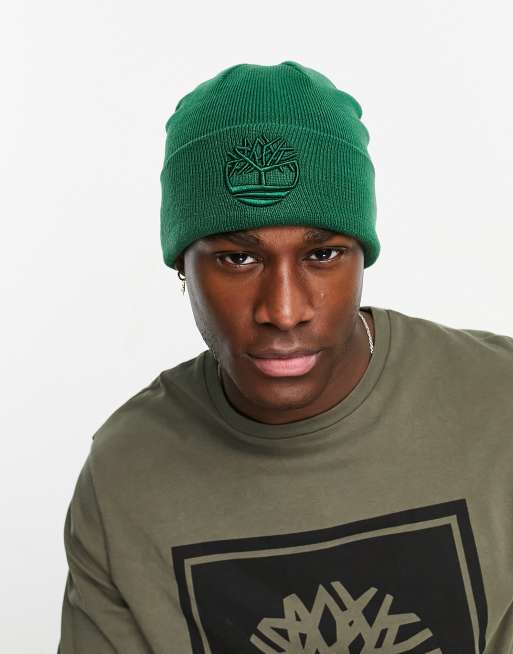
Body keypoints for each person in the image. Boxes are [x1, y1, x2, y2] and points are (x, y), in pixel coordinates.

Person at [57, 61, 513, 653]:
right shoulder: (126, 475)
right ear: (181, 267)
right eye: (238, 259)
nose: (285, 310)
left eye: (322, 255)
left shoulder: (499, 404)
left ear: (362, 258)